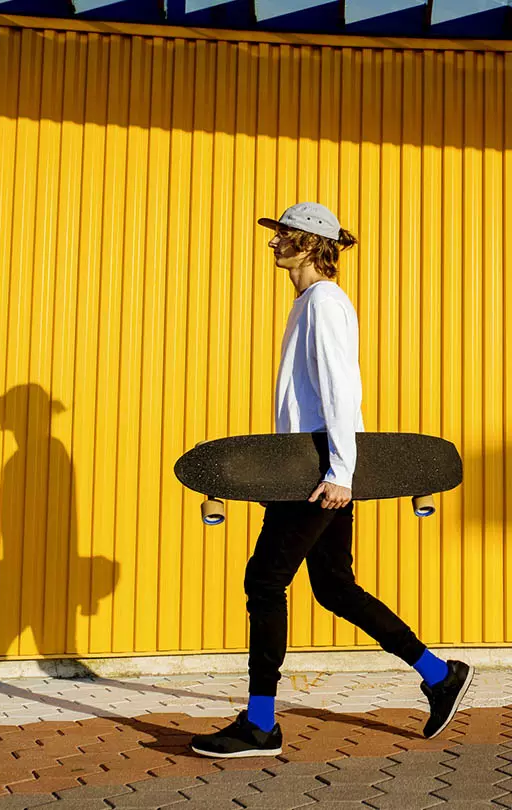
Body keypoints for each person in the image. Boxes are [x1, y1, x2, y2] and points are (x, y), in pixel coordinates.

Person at [190, 202, 474, 758]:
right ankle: (439, 675)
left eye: (283, 236)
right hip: (307, 466)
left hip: (318, 470)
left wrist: (341, 471)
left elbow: (343, 390)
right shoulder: (307, 303)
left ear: (308, 244)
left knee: (265, 581)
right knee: (334, 587)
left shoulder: (323, 302)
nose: (273, 243)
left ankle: (260, 723)